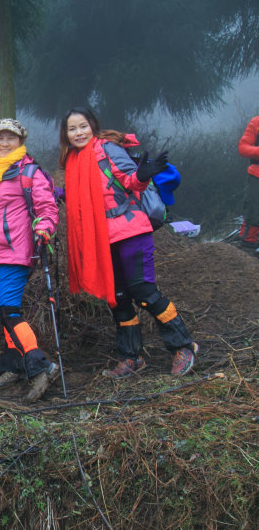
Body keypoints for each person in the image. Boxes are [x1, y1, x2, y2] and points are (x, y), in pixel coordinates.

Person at [60, 107, 198, 378]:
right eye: (72, 129)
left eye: (83, 126)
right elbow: (80, 196)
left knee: (144, 292)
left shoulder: (107, 149)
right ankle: (131, 357)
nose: (79, 133)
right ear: (65, 134)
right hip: (101, 240)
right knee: (118, 298)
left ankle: (183, 346)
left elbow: (130, 181)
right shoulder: (72, 162)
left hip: (130, 230)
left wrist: (143, 175)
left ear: (93, 126)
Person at [0, 119, 60, 403]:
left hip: (14, 252)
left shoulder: (28, 171)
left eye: (11, 138)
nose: (4, 143)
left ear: (21, 141)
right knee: (5, 311)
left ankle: (40, 365)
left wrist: (44, 228)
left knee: (8, 311)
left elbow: (47, 207)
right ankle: (14, 365)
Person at [238, 116, 259, 253]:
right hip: (257, 175)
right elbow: (243, 148)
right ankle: (248, 246)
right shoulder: (256, 122)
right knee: (253, 212)